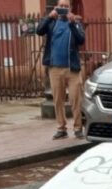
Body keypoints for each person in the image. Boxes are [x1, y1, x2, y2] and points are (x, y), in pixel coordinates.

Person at [37, 0, 86, 139]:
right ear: (56, 7)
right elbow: (39, 30)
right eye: (61, 6)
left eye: (66, 7)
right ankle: (61, 128)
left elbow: (81, 39)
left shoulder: (75, 23)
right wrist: (48, 17)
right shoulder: (52, 23)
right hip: (55, 69)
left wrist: (72, 24)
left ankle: (77, 128)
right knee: (58, 100)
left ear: (70, 8)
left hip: (72, 69)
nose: (63, 9)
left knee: (75, 99)